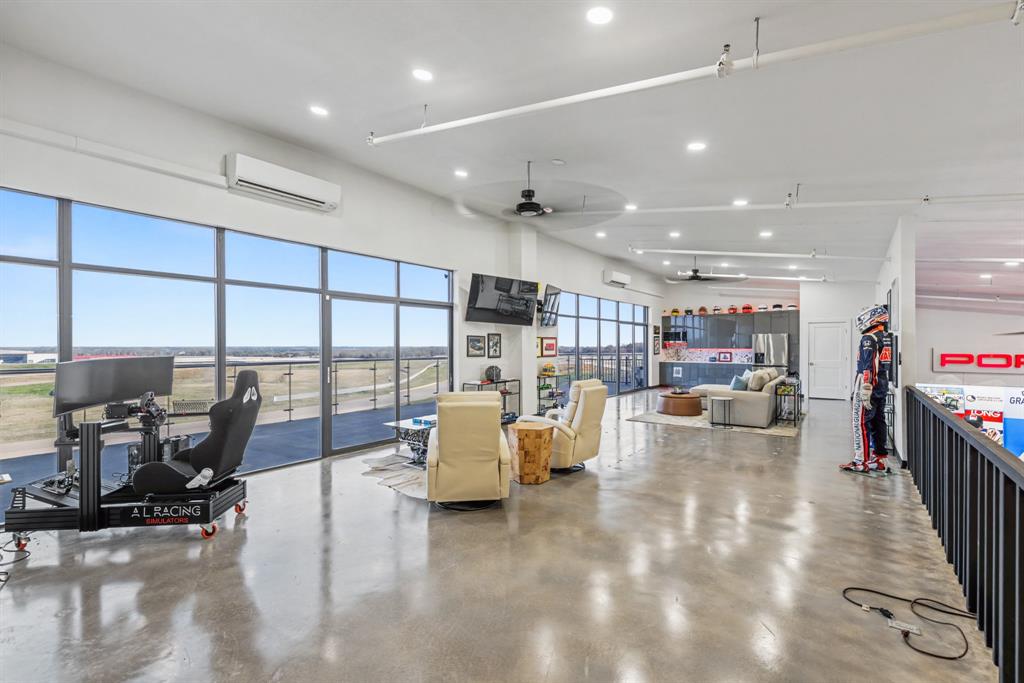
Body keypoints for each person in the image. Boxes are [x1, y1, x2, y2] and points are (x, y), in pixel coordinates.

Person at [841, 304, 892, 473]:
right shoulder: (886, 337)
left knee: (860, 422)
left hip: (867, 384)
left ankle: (860, 461)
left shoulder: (869, 338)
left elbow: (869, 364)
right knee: (878, 421)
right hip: (882, 384)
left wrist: (866, 386)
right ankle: (880, 458)